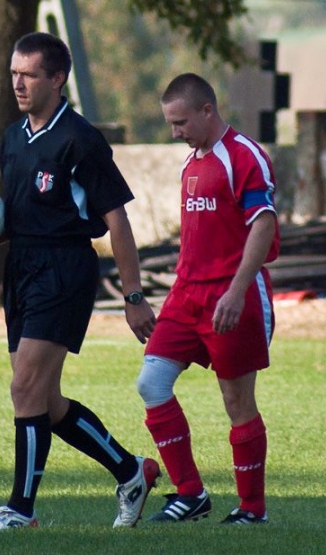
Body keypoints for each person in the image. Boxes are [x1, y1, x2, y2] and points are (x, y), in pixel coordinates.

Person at [0, 32, 160, 529]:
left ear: (56, 78)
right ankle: (131, 472)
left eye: (28, 74)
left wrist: (134, 296)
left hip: (65, 271)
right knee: (43, 403)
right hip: (22, 269)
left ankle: (19, 511)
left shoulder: (81, 139)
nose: (18, 83)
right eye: (13, 74)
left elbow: (118, 221)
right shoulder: (11, 138)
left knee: (25, 388)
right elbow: (26, 217)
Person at [137, 73, 279, 525]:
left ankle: (252, 509)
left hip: (233, 294)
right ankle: (190, 493)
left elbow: (264, 224)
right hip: (186, 296)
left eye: (180, 122)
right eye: (169, 123)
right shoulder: (189, 165)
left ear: (206, 110)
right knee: (151, 383)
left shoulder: (244, 155)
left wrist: (237, 291)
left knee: (236, 402)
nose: (174, 132)